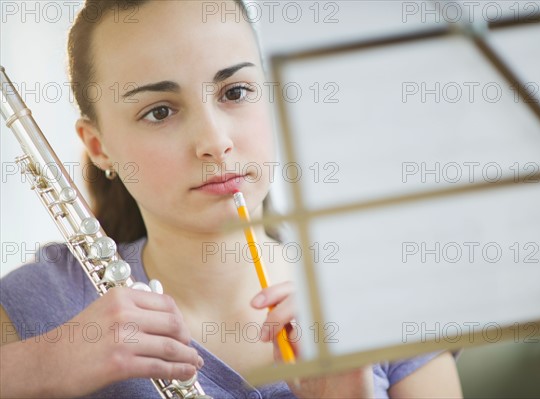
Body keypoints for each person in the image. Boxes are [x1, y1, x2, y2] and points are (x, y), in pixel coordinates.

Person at [0, 1, 463, 397]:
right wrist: (38, 368)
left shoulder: (384, 302)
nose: (214, 141)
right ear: (99, 147)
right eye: (159, 112)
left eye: (235, 92)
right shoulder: (36, 307)